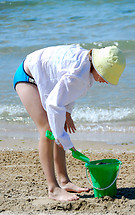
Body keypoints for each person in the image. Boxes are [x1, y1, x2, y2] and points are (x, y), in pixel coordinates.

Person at [13, 44, 126, 201]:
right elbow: (54, 103)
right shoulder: (79, 73)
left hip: (40, 76)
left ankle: (64, 181)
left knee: (59, 124)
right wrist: (64, 140)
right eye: (106, 76)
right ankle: (53, 188)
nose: (107, 82)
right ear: (99, 67)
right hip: (27, 78)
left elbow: (66, 89)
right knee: (48, 130)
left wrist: (67, 114)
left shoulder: (87, 66)